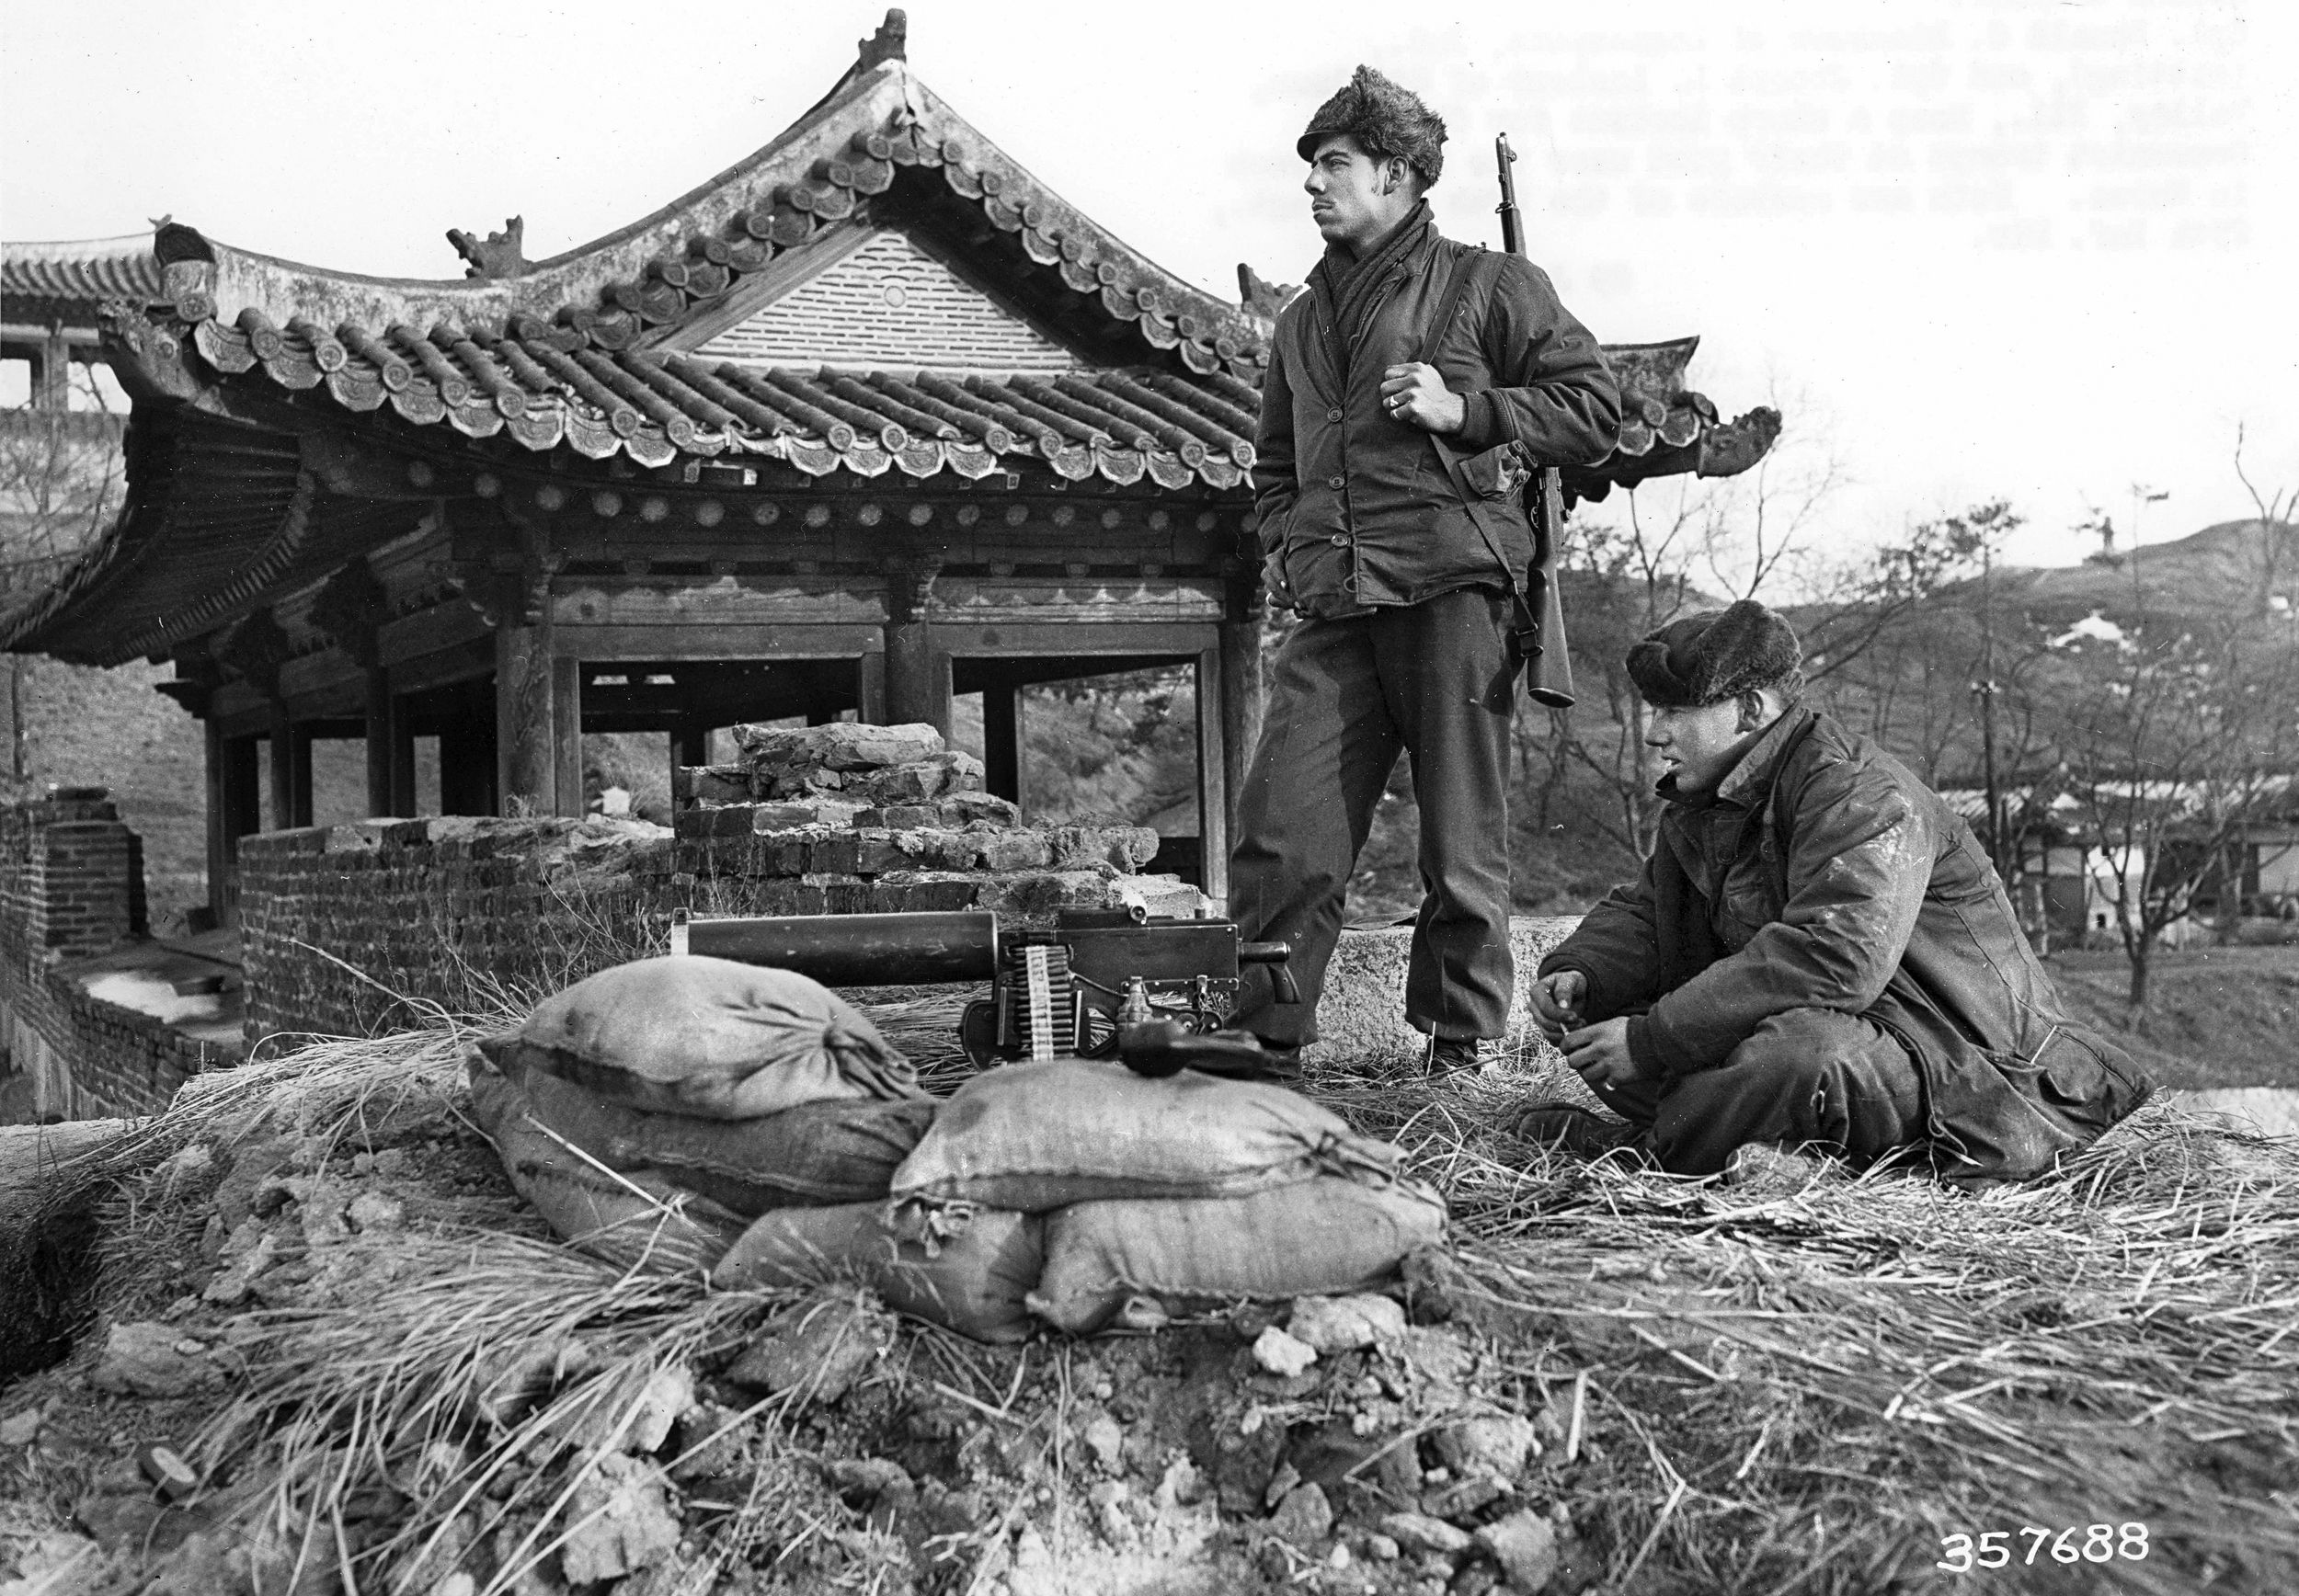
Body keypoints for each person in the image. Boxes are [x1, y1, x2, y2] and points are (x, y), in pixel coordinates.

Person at [1229, 66, 1622, 1075]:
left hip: (1456, 596)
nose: (1314, 184)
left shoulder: (1491, 285)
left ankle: (1459, 1051)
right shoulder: (1299, 322)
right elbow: (1276, 459)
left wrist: (1469, 408)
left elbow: (1594, 409)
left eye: (1335, 164)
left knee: (1459, 842)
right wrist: (1289, 534)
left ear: (1398, 175)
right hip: (1334, 606)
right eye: (1311, 166)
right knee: (1283, 830)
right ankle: (1268, 1044)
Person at [1513, 600, 2153, 1182]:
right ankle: (1719, 1139)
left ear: (1753, 709)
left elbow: (1837, 958)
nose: (1655, 734)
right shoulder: (1712, 800)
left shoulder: (1857, 791)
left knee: (1798, 1055)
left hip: (1968, 1072)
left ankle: (1645, 1159)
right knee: (1599, 1014)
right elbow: (1652, 911)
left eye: (1675, 712)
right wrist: (1582, 973)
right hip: (1875, 1041)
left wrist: (1652, 1041)